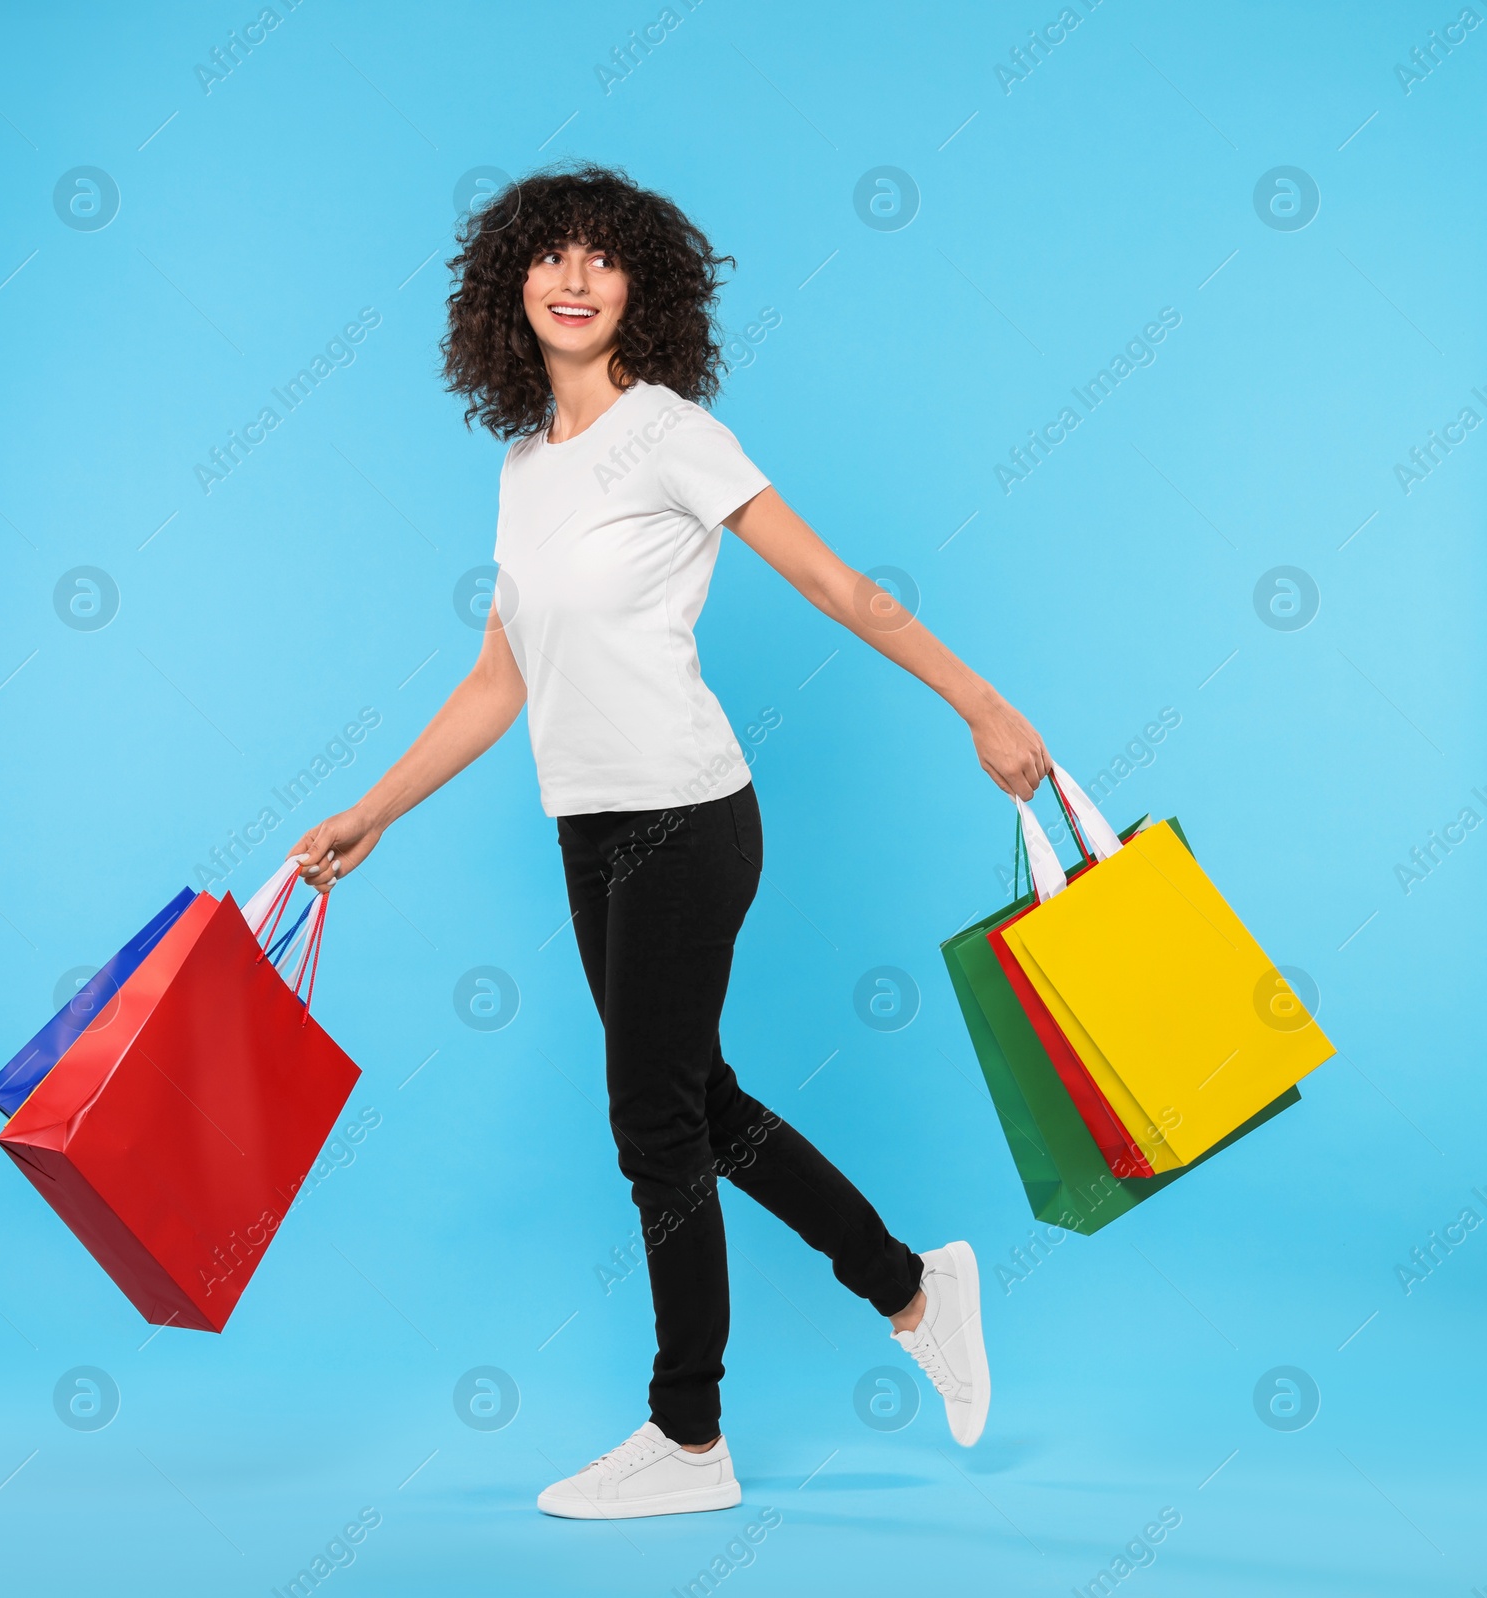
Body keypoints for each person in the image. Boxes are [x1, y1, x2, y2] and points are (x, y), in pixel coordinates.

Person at [291, 164, 1050, 1521]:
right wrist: (373, 810)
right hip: (587, 827)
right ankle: (913, 1285)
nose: (574, 279)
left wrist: (984, 706)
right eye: (549, 258)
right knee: (698, 1102)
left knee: (650, 1116)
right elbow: (498, 677)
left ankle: (688, 1433)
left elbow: (837, 584)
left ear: (643, 284)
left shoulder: (671, 433)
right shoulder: (525, 467)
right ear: (509, 287)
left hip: (691, 815)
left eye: (603, 258)